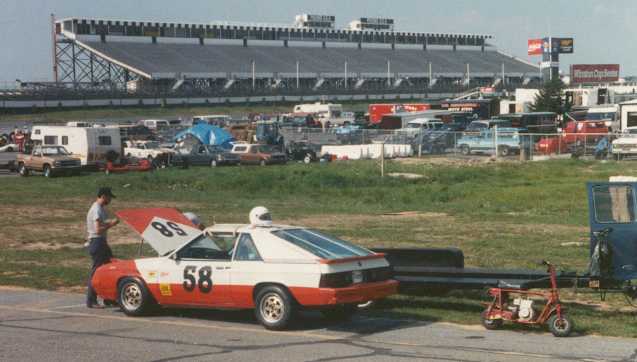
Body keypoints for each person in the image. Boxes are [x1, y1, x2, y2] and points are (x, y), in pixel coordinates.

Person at [86, 187, 119, 308]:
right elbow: (98, 230)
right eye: (109, 197)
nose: (110, 200)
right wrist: (112, 224)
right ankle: (91, 300)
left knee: (110, 268)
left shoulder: (100, 209)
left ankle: (108, 298)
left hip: (101, 243)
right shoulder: (96, 210)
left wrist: (109, 223)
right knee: (97, 272)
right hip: (97, 242)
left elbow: (101, 226)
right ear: (104, 196)